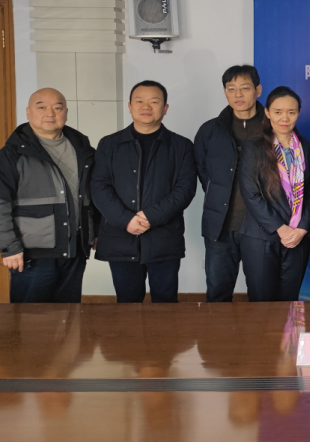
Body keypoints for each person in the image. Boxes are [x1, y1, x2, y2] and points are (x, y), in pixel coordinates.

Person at [91, 81, 197, 303]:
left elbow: (185, 189)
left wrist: (150, 216)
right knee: (127, 304)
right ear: (130, 106)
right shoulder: (109, 144)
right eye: (139, 101)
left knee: (165, 303)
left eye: (154, 101)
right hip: (121, 237)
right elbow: (99, 187)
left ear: (165, 108)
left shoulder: (181, 146)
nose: (146, 106)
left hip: (164, 238)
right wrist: (126, 220)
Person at [0, 88, 98, 303]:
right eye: (41, 107)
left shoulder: (83, 149)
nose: (50, 113)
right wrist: (9, 248)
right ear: (28, 112)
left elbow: (94, 194)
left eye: (57, 107)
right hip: (32, 254)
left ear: (66, 113)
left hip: (74, 250)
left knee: (69, 316)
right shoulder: (12, 154)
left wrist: (96, 230)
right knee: (30, 318)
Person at [194, 64, 266, 302]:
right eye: (231, 88)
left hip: (261, 228)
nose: (238, 94)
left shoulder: (272, 127)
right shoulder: (210, 130)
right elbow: (203, 172)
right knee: (217, 294)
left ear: (258, 90)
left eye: (245, 87)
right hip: (221, 227)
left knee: (263, 295)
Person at [237, 86, 310, 302]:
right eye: (278, 112)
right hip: (261, 236)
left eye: (291, 112)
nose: (284, 118)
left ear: (298, 113)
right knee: (262, 302)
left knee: (289, 301)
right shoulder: (253, 146)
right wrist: (280, 228)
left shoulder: (308, 149)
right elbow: (250, 193)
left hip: (298, 237)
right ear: (267, 112)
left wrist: (302, 228)